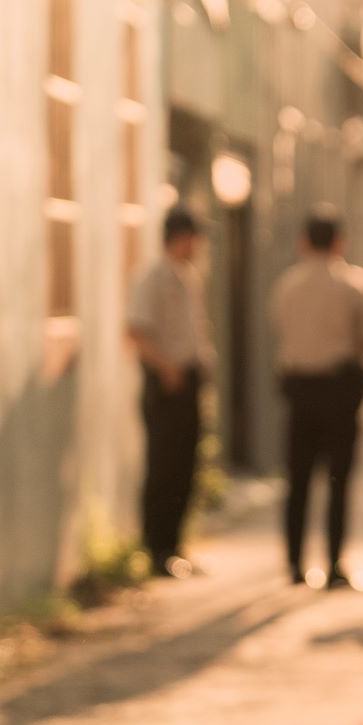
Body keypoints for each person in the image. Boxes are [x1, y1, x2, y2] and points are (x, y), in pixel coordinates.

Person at [270, 208, 363, 590]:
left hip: (299, 390)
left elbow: (281, 328)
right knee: (338, 480)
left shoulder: (287, 285)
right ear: (339, 242)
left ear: (303, 241)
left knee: (298, 480)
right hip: (339, 390)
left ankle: (295, 565)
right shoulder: (355, 285)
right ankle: (334, 564)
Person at [127, 208, 215, 579]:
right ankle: (156, 548)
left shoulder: (188, 276)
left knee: (185, 466)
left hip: (188, 380)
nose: (197, 245)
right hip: (166, 384)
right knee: (163, 466)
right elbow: (135, 332)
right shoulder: (152, 278)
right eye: (193, 238)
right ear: (180, 237)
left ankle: (176, 545)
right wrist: (166, 367)